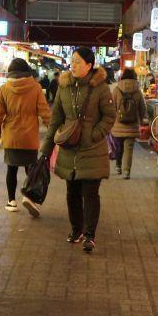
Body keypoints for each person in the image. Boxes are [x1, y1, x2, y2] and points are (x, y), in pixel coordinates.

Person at [40, 47, 115, 253]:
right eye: (72, 61)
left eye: (78, 62)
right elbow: (56, 119)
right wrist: (46, 149)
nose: (72, 65)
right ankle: (76, 229)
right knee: (72, 192)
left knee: (90, 193)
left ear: (89, 65)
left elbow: (110, 116)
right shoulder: (64, 87)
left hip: (92, 149)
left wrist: (95, 134)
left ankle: (89, 235)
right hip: (69, 148)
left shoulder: (101, 88)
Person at [0, 58, 51, 213]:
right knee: (30, 169)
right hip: (29, 137)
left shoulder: (4, 89)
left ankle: (11, 201)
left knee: (12, 169)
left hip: (11, 136)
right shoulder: (36, 87)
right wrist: (52, 129)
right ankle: (29, 197)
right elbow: (45, 111)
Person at [111, 69, 145, 179]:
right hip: (132, 125)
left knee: (118, 147)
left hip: (117, 125)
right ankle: (127, 172)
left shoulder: (116, 89)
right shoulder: (138, 91)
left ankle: (118, 166)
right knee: (129, 149)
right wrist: (140, 120)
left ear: (122, 77)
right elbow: (142, 108)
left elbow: (111, 107)